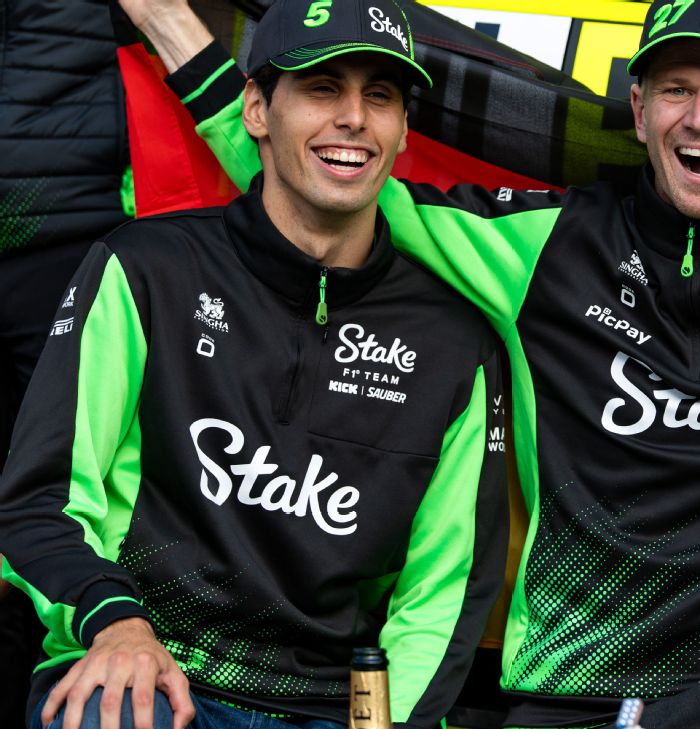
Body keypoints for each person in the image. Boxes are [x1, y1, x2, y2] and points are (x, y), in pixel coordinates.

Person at [119, 0, 700, 726]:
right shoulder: (547, 245)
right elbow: (322, 178)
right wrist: (165, 20)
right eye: (676, 89)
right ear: (639, 110)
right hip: (577, 692)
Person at [0, 1, 509, 727]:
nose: (354, 118)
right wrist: (116, 624)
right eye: (323, 88)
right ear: (257, 111)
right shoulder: (146, 267)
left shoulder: (456, 340)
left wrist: (386, 723)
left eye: (380, 96)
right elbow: (40, 497)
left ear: (402, 132)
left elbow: (445, 591)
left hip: (332, 706)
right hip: (143, 668)